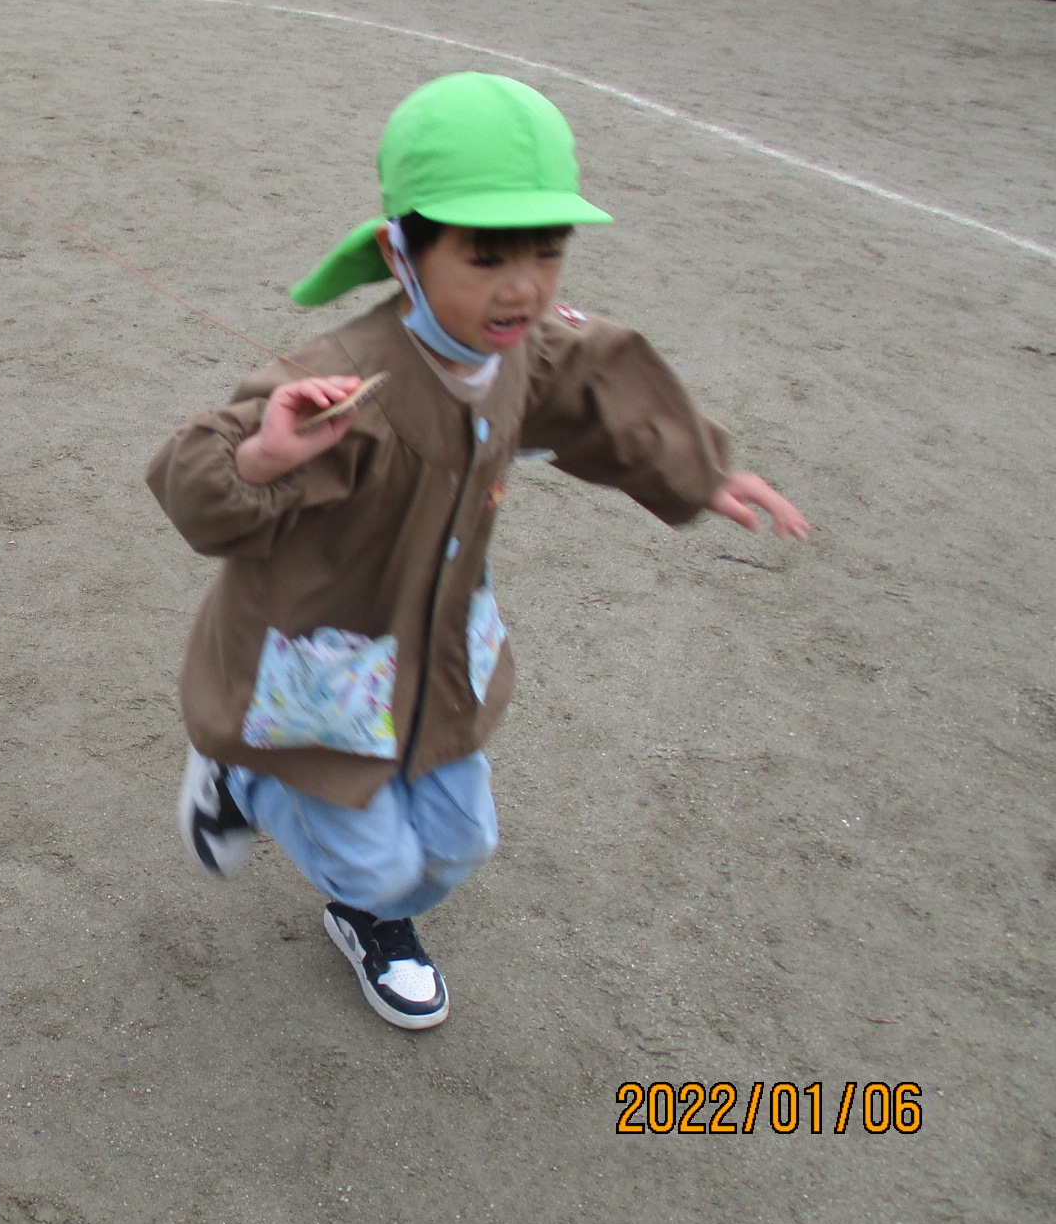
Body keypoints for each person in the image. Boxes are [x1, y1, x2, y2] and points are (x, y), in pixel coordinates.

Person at [147, 72, 809, 1031]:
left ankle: (367, 916)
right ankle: (244, 775)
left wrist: (700, 469)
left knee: (460, 842)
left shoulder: (522, 349)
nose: (524, 284)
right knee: (376, 858)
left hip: (438, 651)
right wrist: (262, 458)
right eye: (487, 255)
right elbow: (195, 481)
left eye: (548, 249)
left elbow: (595, 379)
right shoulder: (337, 383)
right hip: (321, 665)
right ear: (401, 252)